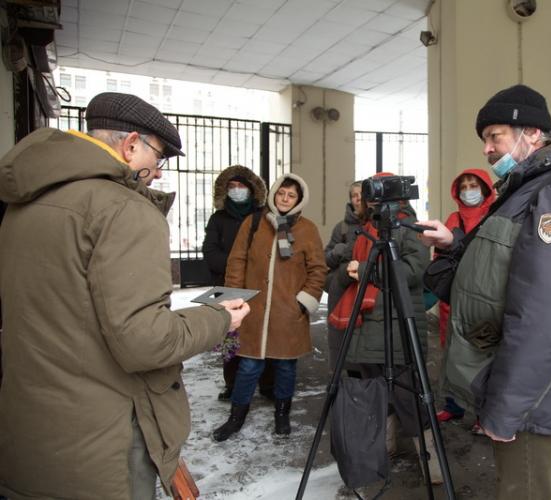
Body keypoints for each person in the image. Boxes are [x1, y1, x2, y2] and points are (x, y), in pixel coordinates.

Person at [0, 92, 249, 500]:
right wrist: (220, 318)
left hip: (30, 431)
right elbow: (145, 342)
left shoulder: (25, 201)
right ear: (131, 144)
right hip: (102, 442)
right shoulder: (123, 208)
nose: (158, 170)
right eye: (159, 155)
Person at [419, 84, 551, 500]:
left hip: (529, 392)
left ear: (533, 133)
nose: (487, 149)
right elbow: (509, 263)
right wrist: (455, 246)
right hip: (513, 378)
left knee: (523, 489)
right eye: (484, 139)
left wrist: (507, 408)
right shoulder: (527, 186)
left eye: (495, 136)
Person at [327, 172, 437, 482]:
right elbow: (336, 266)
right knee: (376, 392)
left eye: (377, 191)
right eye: (367, 192)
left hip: (395, 327)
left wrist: (363, 269)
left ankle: (431, 460)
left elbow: (413, 271)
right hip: (366, 328)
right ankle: (382, 449)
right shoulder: (365, 230)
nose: (371, 198)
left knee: (408, 396)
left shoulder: (410, 228)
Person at [213, 173, 327, 441]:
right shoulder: (253, 223)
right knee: (249, 366)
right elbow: (237, 260)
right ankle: (235, 418)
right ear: (274, 194)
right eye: (281, 193)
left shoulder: (307, 230)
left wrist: (302, 302)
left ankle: (282, 415)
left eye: (291, 196)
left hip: (288, 313)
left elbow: (318, 270)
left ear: (299, 200)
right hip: (254, 309)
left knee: (286, 367)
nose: (285, 199)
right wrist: (234, 297)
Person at [201, 165, 275, 402]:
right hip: (226, 285)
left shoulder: (264, 217)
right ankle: (232, 384)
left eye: (241, 186)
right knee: (230, 338)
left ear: (252, 189)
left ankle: (267, 383)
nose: (236, 190)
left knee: (263, 334)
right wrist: (239, 265)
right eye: (231, 186)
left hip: (260, 286)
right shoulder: (218, 218)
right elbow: (210, 253)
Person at [433, 169, 496, 436]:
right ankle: (454, 405)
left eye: (474, 185)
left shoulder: (495, 216)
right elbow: (439, 256)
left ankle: (485, 414)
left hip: (484, 298)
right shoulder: (453, 218)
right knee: (452, 355)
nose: (469, 190)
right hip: (453, 298)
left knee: (484, 359)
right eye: (464, 186)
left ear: (485, 189)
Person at [324, 180, 363, 374]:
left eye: (362, 194)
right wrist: (339, 251)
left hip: (366, 291)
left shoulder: (378, 224)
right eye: (354, 195)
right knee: (342, 338)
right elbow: (326, 259)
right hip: (342, 291)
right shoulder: (342, 228)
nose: (359, 198)